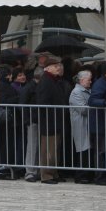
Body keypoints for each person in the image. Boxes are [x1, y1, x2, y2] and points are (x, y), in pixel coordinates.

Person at [37, 57, 66, 185]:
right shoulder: (46, 81)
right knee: (48, 150)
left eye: (58, 65)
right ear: (48, 68)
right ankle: (47, 175)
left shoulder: (54, 80)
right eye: (55, 66)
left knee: (55, 149)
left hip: (56, 119)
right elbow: (43, 101)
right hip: (49, 120)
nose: (58, 68)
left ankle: (53, 173)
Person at [0, 65, 23, 179]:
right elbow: (2, 101)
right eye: (9, 74)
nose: (11, 76)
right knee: (5, 145)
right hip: (5, 120)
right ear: (6, 75)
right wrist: (17, 98)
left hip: (9, 120)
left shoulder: (5, 85)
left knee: (8, 145)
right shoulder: (1, 86)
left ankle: (7, 168)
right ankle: (3, 170)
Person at [88, 61, 106, 185]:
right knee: (101, 151)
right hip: (100, 124)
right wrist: (105, 103)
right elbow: (92, 100)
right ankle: (100, 176)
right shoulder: (100, 84)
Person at [69, 70, 93, 184]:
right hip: (80, 125)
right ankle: (80, 175)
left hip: (87, 124)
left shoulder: (87, 91)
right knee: (82, 149)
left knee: (87, 149)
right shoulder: (76, 92)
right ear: (82, 80)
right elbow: (83, 109)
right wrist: (94, 105)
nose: (90, 81)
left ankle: (87, 174)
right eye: (89, 79)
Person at [21, 66, 42, 182]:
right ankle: (30, 172)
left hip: (37, 119)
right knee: (32, 146)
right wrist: (27, 119)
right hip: (32, 120)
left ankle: (36, 171)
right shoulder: (29, 88)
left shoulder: (34, 86)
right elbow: (23, 104)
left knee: (37, 146)